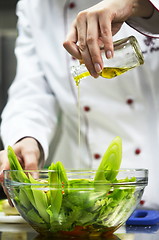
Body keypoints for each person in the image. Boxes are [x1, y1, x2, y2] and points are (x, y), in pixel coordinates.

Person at [0, 0, 159, 209]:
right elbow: (33, 89)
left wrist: (139, 5)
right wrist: (27, 138)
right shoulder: (35, 5)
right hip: (78, 197)